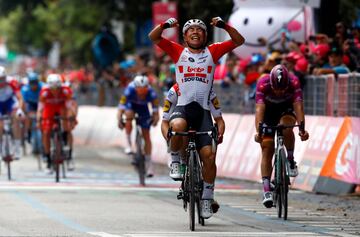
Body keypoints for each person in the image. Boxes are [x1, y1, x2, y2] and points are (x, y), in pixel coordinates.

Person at [148, 16, 244, 219]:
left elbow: (238, 41)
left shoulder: (213, 51)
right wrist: (166, 25)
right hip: (183, 108)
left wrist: (224, 25)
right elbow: (153, 37)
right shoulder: (178, 51)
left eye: (199, 29)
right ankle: (175, 158)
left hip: (203, 113)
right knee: (177, 124)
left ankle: (207, 198)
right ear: (184, 36)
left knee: (209, 157)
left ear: (205, 35)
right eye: (190, 29)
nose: (195, 31)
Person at [254, 64, 309, 208]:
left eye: (282, 89)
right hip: (268, 113)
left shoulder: (294, 82)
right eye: (275, 89)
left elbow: (298, 108)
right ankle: (266, 190)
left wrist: (302, 129)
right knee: (267, 148)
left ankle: (290, 160)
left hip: (286, 110)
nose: (279, 92)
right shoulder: (263, 83)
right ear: (271, 83)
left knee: (287, 127)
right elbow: (259, 109)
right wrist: (258, 132)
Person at [161, 83, 224, 181]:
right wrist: (170, 139)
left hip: (201, 121)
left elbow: (219, 119)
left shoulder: (208, 91)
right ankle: (176, 160)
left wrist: (220, 134)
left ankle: (207, 191)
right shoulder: (174, 90)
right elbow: (164, 121)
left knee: (209, 156)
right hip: (182, 120)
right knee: (178, 128)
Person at [117, 75, 159, 177]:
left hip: (143, 108)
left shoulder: (152, 94)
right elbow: (121, 107)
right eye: (139, 89)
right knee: (128, 115)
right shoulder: (129, 91)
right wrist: (119, 119)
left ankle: (149, 164)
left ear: (147, 88)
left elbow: (156, 111)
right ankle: (128, 144)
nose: (141, 92)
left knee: (146, 136)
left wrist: (155, 119)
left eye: (144, 89)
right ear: (135, 88)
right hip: (130, 106)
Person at [37, 74, 74, 171]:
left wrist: (71, 117)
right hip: (49, 108)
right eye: (52, 89)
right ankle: (48, 157)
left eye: (57, 88)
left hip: (62, 107)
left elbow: (70, 106)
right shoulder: (44, 92)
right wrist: (39, 118)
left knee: (68, 126)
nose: (55, 91)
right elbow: (40, 108)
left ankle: (68, 151)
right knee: (46, 132)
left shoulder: (66, 90)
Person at [0, 66, 25, 160]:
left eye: (2, 79)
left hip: (10, 101)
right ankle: (1, 148)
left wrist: (19, 109)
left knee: (16, 120)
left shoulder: (11, 81)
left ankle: (17, 148)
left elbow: (19, 97)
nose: (1, 82)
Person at [21, 72, 43, 154]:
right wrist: (23, 113)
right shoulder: (25, 89)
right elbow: (23, 102)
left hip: (40, 104)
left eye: (35, 83)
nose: (34, 85)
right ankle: (28, 132)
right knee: (28, 118)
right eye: (32, 83)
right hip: (31, 105)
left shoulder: (42, 87)